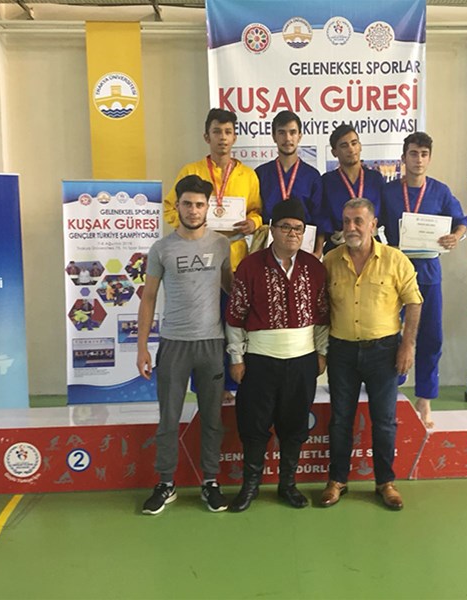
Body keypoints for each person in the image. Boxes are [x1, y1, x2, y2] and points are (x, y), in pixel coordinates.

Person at [224, 197, 329, 512]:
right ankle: (250, 487)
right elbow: (235, 316)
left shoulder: (314, 268)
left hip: (302, 360)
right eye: (285, 227)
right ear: (272, 230)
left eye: (298, 229)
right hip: (259, 360)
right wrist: (236, 358)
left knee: (294, 426)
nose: (292, 234)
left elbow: (322, 316)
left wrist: (321, 353)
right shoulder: (250, 266)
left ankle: (288, 485)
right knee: (254, 425)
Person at [137, 175, 232, 515]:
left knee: (212, 419)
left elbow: (231, 289)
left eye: (200, 204)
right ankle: (166, 483)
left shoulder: (221, 245)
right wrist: (142, 347)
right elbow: (148, 297)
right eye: (188, 204)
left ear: (209, 207)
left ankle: (210, 481)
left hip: (212, 344)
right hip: (174, 344)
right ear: (177, 206)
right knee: (168, 419)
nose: (193, 210)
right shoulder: (161, 248)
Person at [321, 198, 423, 511]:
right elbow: (322, 308)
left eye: (358, 221)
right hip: (341, 352)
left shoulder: (395, 260)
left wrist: (408, 345)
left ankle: (385, 482)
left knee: (384, 421)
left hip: (384, 352)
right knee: (340, 419)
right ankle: (337, 480)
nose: (351, 227)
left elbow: (414, 302)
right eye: (346, 221)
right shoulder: (330, 260)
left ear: (373, 225)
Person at [381, 132, 467, 429]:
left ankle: (425, 398)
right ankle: (391, 392)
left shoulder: (440, 191)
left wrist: (455, 237)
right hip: (394, 273)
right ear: (403, 158)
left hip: (428, 273)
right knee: (390, 336)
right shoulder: (388, 192)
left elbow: (461, 221)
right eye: (413, 153)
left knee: (431, 336)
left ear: (429, 158)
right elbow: (374, 224)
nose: (418, 159)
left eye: (424, 154)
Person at [163, 108, 262, 272]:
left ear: (234, 137)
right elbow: (169, 208)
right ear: (207, 137)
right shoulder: (191, 171)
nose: (222, 137)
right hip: (196, 255)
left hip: (235, 257)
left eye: (228, 132)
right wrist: (191, 225)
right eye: (217, 132)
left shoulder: (248, 175)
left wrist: (253, 223)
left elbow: (256, 211)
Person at [255, 110, 323, 256]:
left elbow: (319, 217)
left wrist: (318, 251)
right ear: (274, 136)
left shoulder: (312, 176)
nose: (287, 138)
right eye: (282, 132)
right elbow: (256, 212)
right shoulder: (261, 174)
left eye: (292, 132)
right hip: (267, 246)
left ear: (300, 136)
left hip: (304, 246)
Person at [319, 124, 385, 254]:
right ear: (334, 152)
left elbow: (385, 214)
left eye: (354, 143)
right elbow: (322, 218)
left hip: (371, 245)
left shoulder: (375, 178)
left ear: (360, 146)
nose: (351, 149)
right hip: (338, 245)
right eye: (344, 146)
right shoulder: (327, 181)